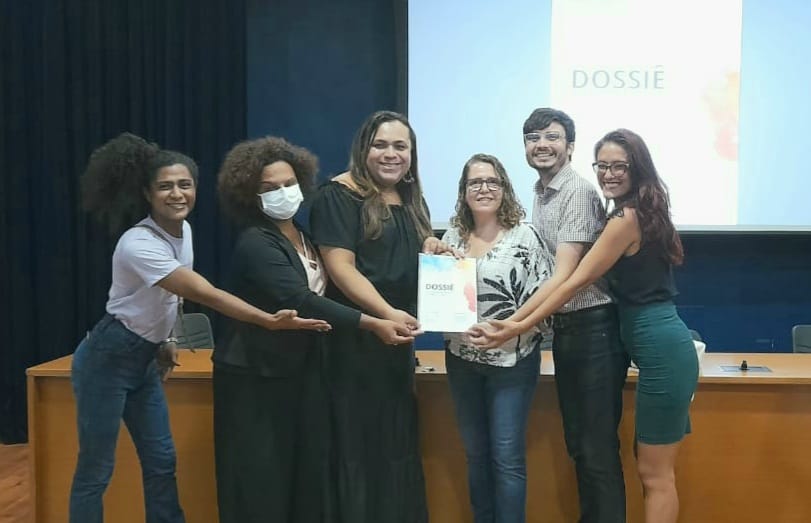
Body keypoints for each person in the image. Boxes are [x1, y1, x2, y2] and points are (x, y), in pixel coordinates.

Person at [71, 133, 329, 523]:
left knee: (161, 461)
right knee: (97, 468)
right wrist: (267, 320)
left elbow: (170, 298)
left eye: (185, 184)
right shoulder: (137, 243)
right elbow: (202, 292)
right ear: (147, 193)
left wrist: (167, 338)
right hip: (108, 358)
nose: (177, 194)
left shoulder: (184, 231)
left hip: (144, 359)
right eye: (165, 186)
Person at [472, 129, 699, 523]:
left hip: (663, 352)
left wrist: (514, 326)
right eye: (603, 166)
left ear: (637, 168)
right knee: (652, 472)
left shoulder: (625, 218)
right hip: (659, 347)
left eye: (619, 166)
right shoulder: (633, 211)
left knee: (655, 475)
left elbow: (573, 280)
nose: (609, 174)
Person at [213, 136, 415, 523]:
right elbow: (301, 299)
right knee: (261, 480)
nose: (282, 193)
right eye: (269, 188)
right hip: (256, 377)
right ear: (250, 195)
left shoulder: (303, 235)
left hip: (297, 373)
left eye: (289, 183)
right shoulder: (256, 242)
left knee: (299, 478)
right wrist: (374, 322)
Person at [469, 108, 629, 523]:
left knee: (595, 451)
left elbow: (563, 275)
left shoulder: (576, 192)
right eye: (533, 137)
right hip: (569, 331)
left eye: (552, 137)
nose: (541, 144)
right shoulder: (541, 192)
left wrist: (515, 324)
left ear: (570, 147)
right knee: (580, 445)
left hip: (593, 331)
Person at [309, 110, 434, 523]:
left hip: (395, 342)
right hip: (355, 340)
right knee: (357, 446)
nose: (390, 154)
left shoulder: (411, 200)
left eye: (400, 146)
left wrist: (434, 249)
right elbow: (340, 268)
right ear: (364, 148)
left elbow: (406, 255)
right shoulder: (338, 195)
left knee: (394, 444)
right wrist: (385, 313)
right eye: (380, 145)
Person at [434, 153, 553, 523]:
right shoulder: (451, 236)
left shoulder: (525, 236)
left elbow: (545, 299)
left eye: (492, 181)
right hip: (461, 360)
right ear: (464, 191)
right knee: (475, 456)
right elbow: (439, 297)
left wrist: (511, 328)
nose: (484, 188)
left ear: (504, 188)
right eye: (475, 182)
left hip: (512, 364)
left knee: (506, 458)